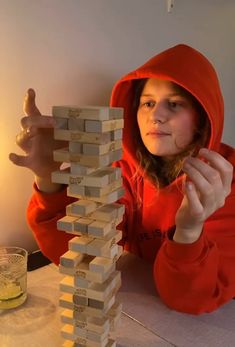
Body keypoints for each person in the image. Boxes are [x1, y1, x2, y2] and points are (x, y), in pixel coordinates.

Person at [9, 44, 235, 315]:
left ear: (202, 117)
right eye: (148, 103)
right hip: (140, 297)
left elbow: (191, 299)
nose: (156, 116)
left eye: (174, 104)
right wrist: (48, 177)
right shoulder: (125, 169)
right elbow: (83, 256)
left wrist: (188, 230)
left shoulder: (223, 183)